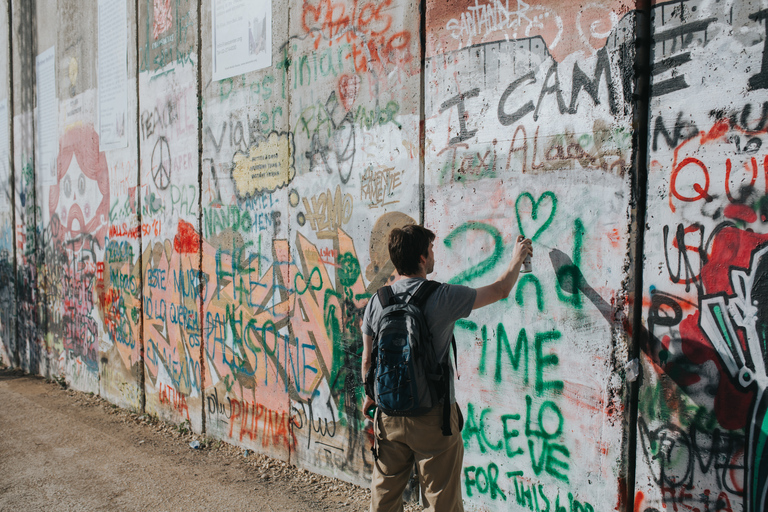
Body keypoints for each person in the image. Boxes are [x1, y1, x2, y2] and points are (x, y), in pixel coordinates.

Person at [361, 224, 532, 512]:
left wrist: (371, 397)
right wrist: (517, 257)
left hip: (388, 414)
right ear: (422, 259)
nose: (433, 255)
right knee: (441, 497)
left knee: (385, 491)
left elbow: (368, 361)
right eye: (430, 250)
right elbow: (501, 290)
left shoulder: (377, 301)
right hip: (432, 417)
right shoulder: (442, 296)